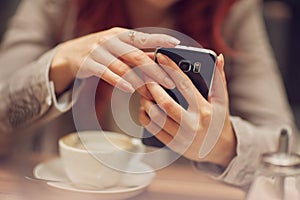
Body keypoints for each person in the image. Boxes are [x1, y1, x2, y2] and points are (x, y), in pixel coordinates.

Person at [0, 0, 297, 187]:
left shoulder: (232, 9)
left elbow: (288, 148)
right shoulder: (57, 6)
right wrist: (60, 64)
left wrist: (224, 144)